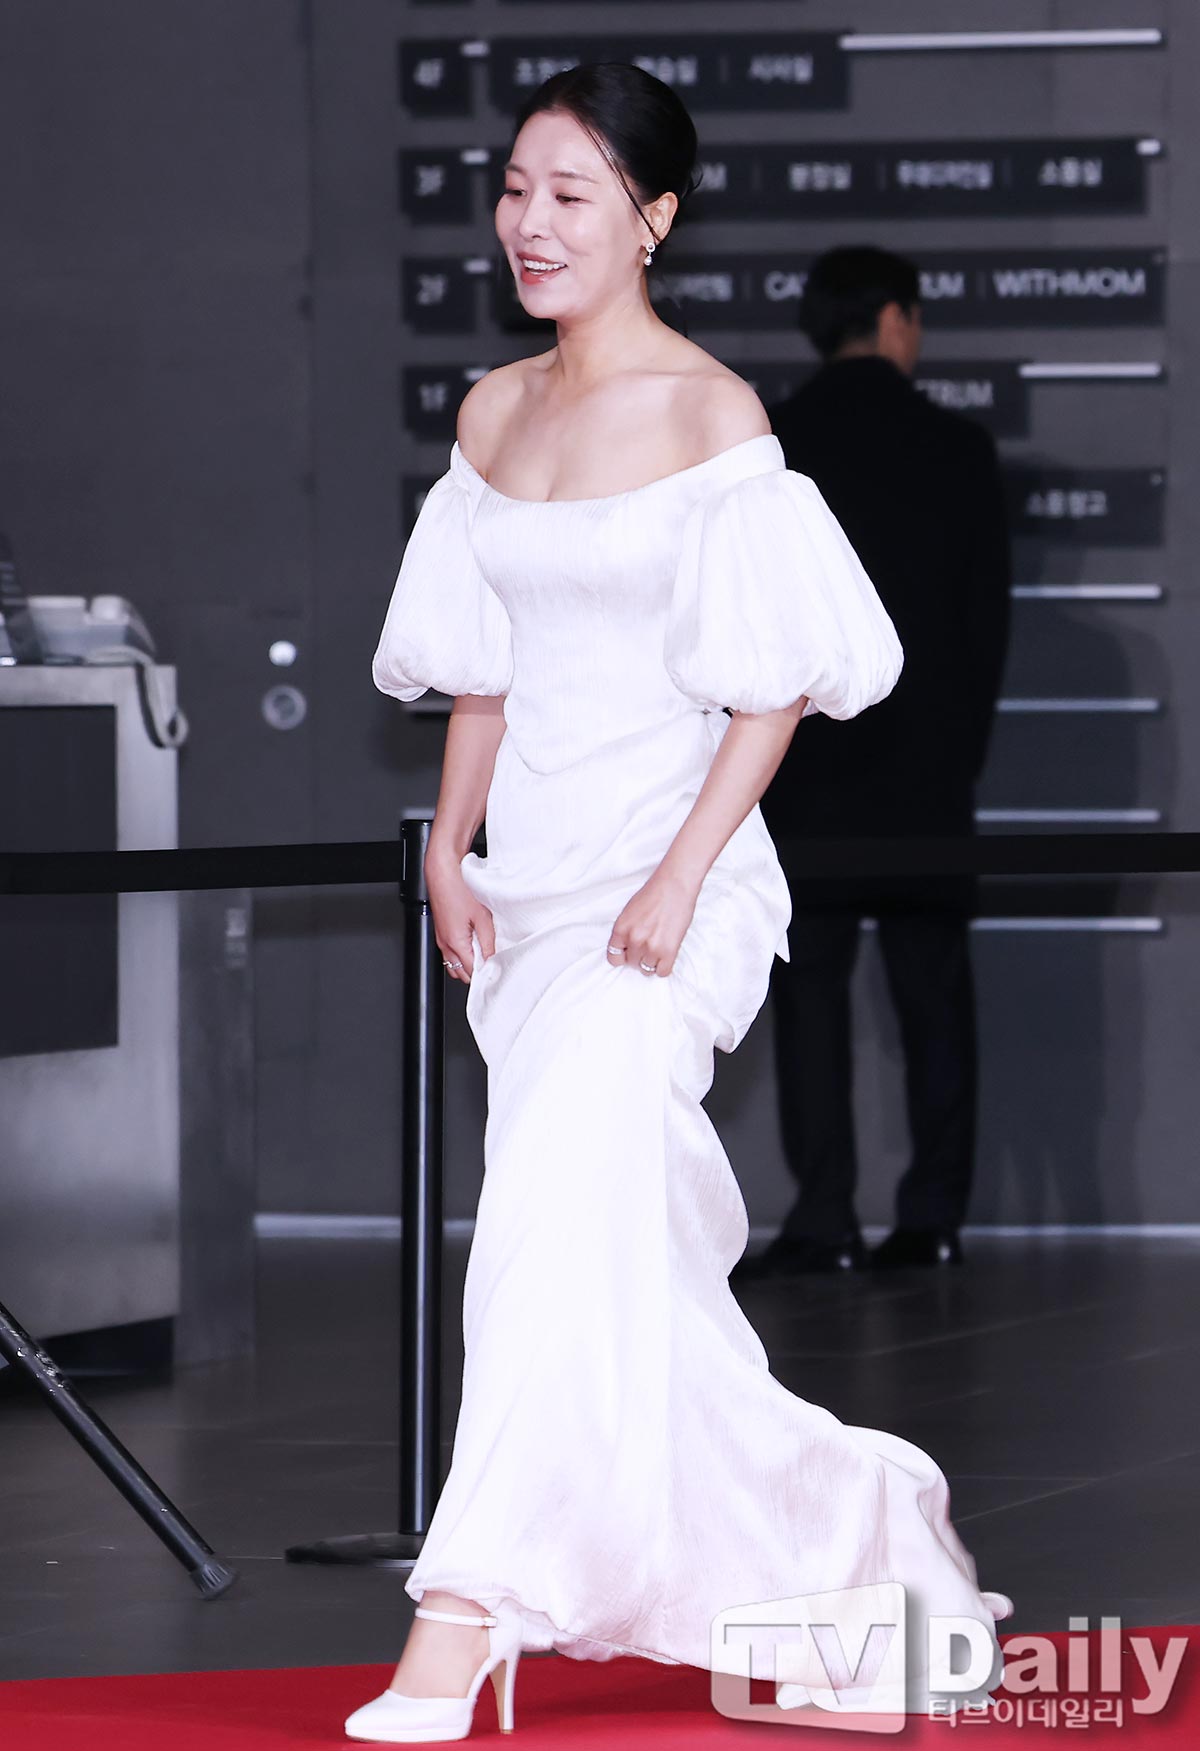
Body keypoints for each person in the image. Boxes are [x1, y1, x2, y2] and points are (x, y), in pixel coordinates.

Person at [349, 70, 1011, 1744]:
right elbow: (486, 665)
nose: (530, 222)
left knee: (533, 1238)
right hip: (532, 892)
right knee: (617, 1280)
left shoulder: (715, 418)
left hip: (671, 889)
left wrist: (677, 875)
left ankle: (462, 1611)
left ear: (652, 218)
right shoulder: (493, 414)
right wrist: (449, 840)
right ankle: (875, 1566)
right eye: (516, 187)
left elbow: (771, 687)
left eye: (572, 194)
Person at [745, 245, 1012, 1279]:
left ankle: (823, 1220)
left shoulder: (775, 445)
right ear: (896, 319)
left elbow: (748, 620)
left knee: (808, 1005)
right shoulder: (957, 448)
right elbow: (985, 629)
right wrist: (958, 761)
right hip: (927, 779)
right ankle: (932, 1217)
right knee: (935, 1002)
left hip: (799, 773)